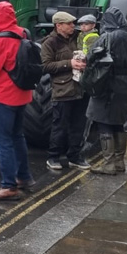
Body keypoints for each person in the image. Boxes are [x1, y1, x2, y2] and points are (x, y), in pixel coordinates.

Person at [0, 2, 35, 200]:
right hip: (23, 93)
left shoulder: (0, 40)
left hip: (4, 96)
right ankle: (24, 177)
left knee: (3, 141)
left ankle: (8, 186)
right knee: (17, 137)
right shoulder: (23, 33)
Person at [87, 7, 127, 174]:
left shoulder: (106, 38)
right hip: (125, 84)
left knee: (104, 122)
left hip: (106, 84)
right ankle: (119, 162)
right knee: (119, 123)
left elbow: (91, 57)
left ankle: (108, 164)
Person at [42, 11, 91, 171]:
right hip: (63, 89)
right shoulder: (50, 43)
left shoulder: (79, 37)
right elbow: (46, 66)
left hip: (81, 88)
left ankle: (74, 156)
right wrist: (69, 63)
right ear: (59, 25)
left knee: (78, 125)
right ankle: (53, 157)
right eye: (69, 24)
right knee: (60, 126)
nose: (73, 26)